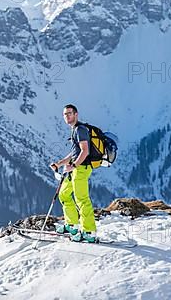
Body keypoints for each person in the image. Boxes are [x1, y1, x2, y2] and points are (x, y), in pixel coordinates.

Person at [50, 104, 97, 243]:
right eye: (65, 114)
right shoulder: (75, 130)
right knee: (64, 194)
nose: (67, 116)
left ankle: (89, 232)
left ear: (76, 114)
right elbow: (74, 153)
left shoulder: (80, 130)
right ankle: (72, 225)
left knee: (82, 199)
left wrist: (74, 166)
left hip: (81, 168)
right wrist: (60, 163)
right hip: (75, 168)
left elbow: (85, 151)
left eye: (69, 113)